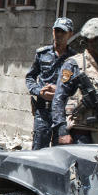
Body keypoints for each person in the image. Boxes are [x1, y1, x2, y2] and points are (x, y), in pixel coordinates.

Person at [51, 17, 98, 145]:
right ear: (92, 41)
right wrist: (62, 131)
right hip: (80, 134)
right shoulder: (74, 64)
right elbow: (58, 99)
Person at [25, 17, 75, 149]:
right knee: (38, 150)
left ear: (70, 34)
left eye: (63, 32)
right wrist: (39, 91)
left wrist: (59, 91)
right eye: (56, 31)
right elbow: (30, 78)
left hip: (62, 113)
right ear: (53, 31)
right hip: (42, 111)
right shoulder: (42, 54)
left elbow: (76, 88)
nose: (58, 35)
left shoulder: (74, 59)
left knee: (60, 151)